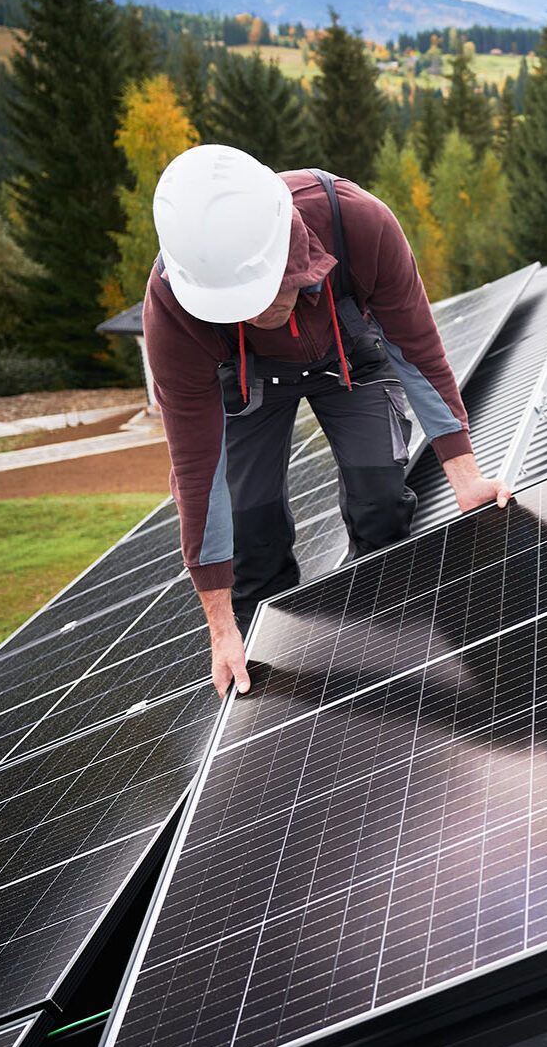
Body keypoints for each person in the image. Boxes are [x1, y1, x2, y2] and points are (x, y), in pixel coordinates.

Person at [146, 145, 510, 699]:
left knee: (381, 502)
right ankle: (273, 683)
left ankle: (391, 647)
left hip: (351, 360)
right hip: (247, 380)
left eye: (268, 290)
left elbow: (418, 351)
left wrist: (464, 473)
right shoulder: (173, 306)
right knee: (251, 533)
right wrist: (220, 627)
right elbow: (197, 468)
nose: (257, 310)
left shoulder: (357, 222)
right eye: (238, 303)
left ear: (290, 247)